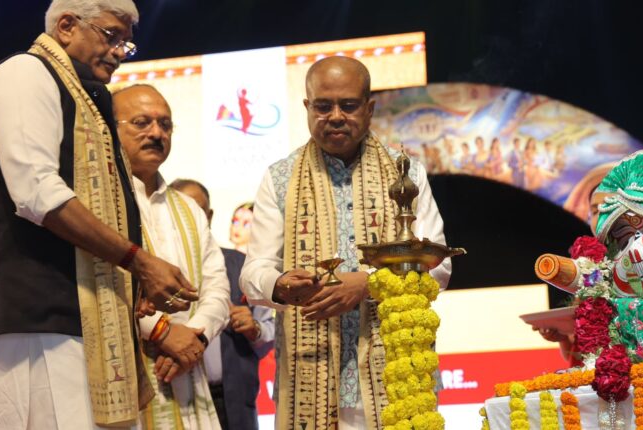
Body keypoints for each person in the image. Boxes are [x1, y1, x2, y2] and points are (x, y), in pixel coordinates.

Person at [0, 2, 199, 428]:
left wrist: (133, 282)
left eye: (126, 43)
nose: (119, 52)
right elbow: (36, 192)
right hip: (30, 323)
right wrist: (137, 261)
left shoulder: (86, 97)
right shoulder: (25, 73)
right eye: (111, 36)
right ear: (66, 26)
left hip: (82, 320)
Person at [240, 56, 451, 430]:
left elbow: (439, 266)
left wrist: (369, 284)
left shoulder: (406, 174)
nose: (335, 116)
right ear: (307, 107)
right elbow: (254, 271)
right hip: (310, 378)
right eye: (323, 106)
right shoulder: (280, 178)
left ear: (369, 109)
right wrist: (280, 283)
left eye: (348, 105)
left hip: (396, 375)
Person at [112, 84, 231, 429]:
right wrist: (163, 332)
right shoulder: (99, 203)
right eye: (141, 123)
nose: (156, 133)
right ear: (111, 129)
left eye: (165, 124)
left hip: (188, 372)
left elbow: (217, 288)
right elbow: (97, 282)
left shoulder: (188, 208)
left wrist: (194, 339)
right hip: (124, 371)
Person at [171, 180, 276, 430]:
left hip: (234, 400)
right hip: (177, 396)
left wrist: (255, 328)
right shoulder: (155, 270)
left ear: (209, 215)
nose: (190, 218)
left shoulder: (242, 266)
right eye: (182, 210)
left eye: (197, 210)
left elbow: (270, 332)